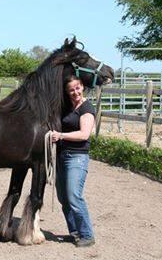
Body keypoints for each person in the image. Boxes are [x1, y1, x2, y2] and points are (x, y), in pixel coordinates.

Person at [51, 75, 96, 247]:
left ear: (82, 87)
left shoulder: (86, 108)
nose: (75, 92)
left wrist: (60, 135)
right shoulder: (68, 107)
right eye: (71, 89)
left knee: (73, 196)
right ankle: (75, 232)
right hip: (62, 156)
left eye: (77, 88)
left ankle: (87, 235)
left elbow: (84, 134)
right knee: (63, 197)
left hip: (77, 158)